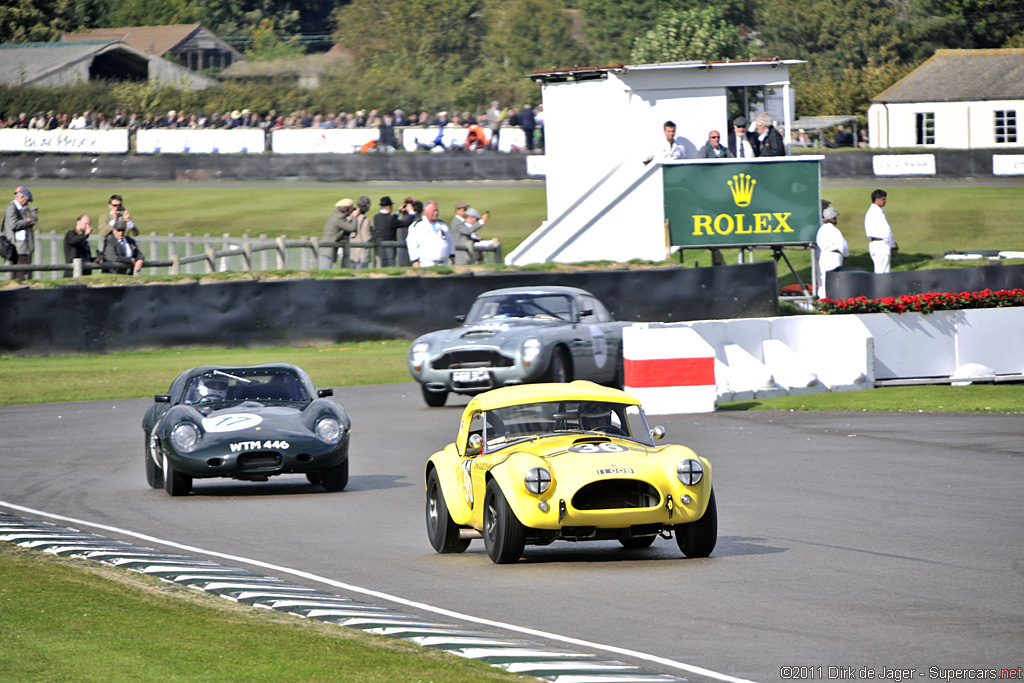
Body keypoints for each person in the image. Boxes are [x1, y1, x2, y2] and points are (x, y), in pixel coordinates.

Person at [2, 187, 38, 280]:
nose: (26, 203)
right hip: (17, 246)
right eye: (26, 200)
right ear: (21, 197)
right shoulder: (11, 207)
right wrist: (27, 221)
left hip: (20, 246)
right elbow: (14, 224)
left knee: (20, 273)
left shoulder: (18, 208)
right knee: (19, 274)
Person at [406, 200, 454, 267]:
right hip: (426, 264)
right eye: (433, 211)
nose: (436, 213)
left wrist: (452, 258)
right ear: (425, 211)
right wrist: (415, 261)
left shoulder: (443, 225)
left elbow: (450, 242)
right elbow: (412, 244)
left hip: (444, 264)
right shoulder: (417, 226)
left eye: (437, 210)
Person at [815, 206, 848, 299]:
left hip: (823, 256)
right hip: (834, 256)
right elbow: (842, 245)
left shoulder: (820, 230)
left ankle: (822, 299)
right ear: (832, 219)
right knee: (834, 279)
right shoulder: (834, 230)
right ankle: (833, 300)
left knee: (823, 279)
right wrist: (846, 255)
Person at [864, 189, 898, 274]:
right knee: (883, 272)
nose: (885, 201)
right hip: (881, 244)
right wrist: (893, 245)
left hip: (874, 244)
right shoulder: (877, 212)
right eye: (883, 199)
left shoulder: (871, 211)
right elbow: (887, 231)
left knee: (879, 270)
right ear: (877, 199)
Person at [319, 198, 357, 269]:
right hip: (327, 251)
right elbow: (352, 228)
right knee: (325, 274)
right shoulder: (339, 217)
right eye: (352, 209)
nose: (353, 211)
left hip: (327, 250)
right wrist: (354, 216)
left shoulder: (337, 215)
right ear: (346, 209)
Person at [372, 196, 401, 267]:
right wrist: (411, 214)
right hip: (390, 247)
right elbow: (404, 222)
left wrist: (398, 213)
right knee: (389, 266)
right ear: (389, 207)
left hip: (379, 246)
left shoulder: (376, 217)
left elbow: (389, 219)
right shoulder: (391, 219)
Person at [350, 195, 374, 269]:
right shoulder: (365, 220)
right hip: (362, 253)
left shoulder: (350, 217)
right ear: (367, 205)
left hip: (351, 252)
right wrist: (373, 235)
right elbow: (366, 237)